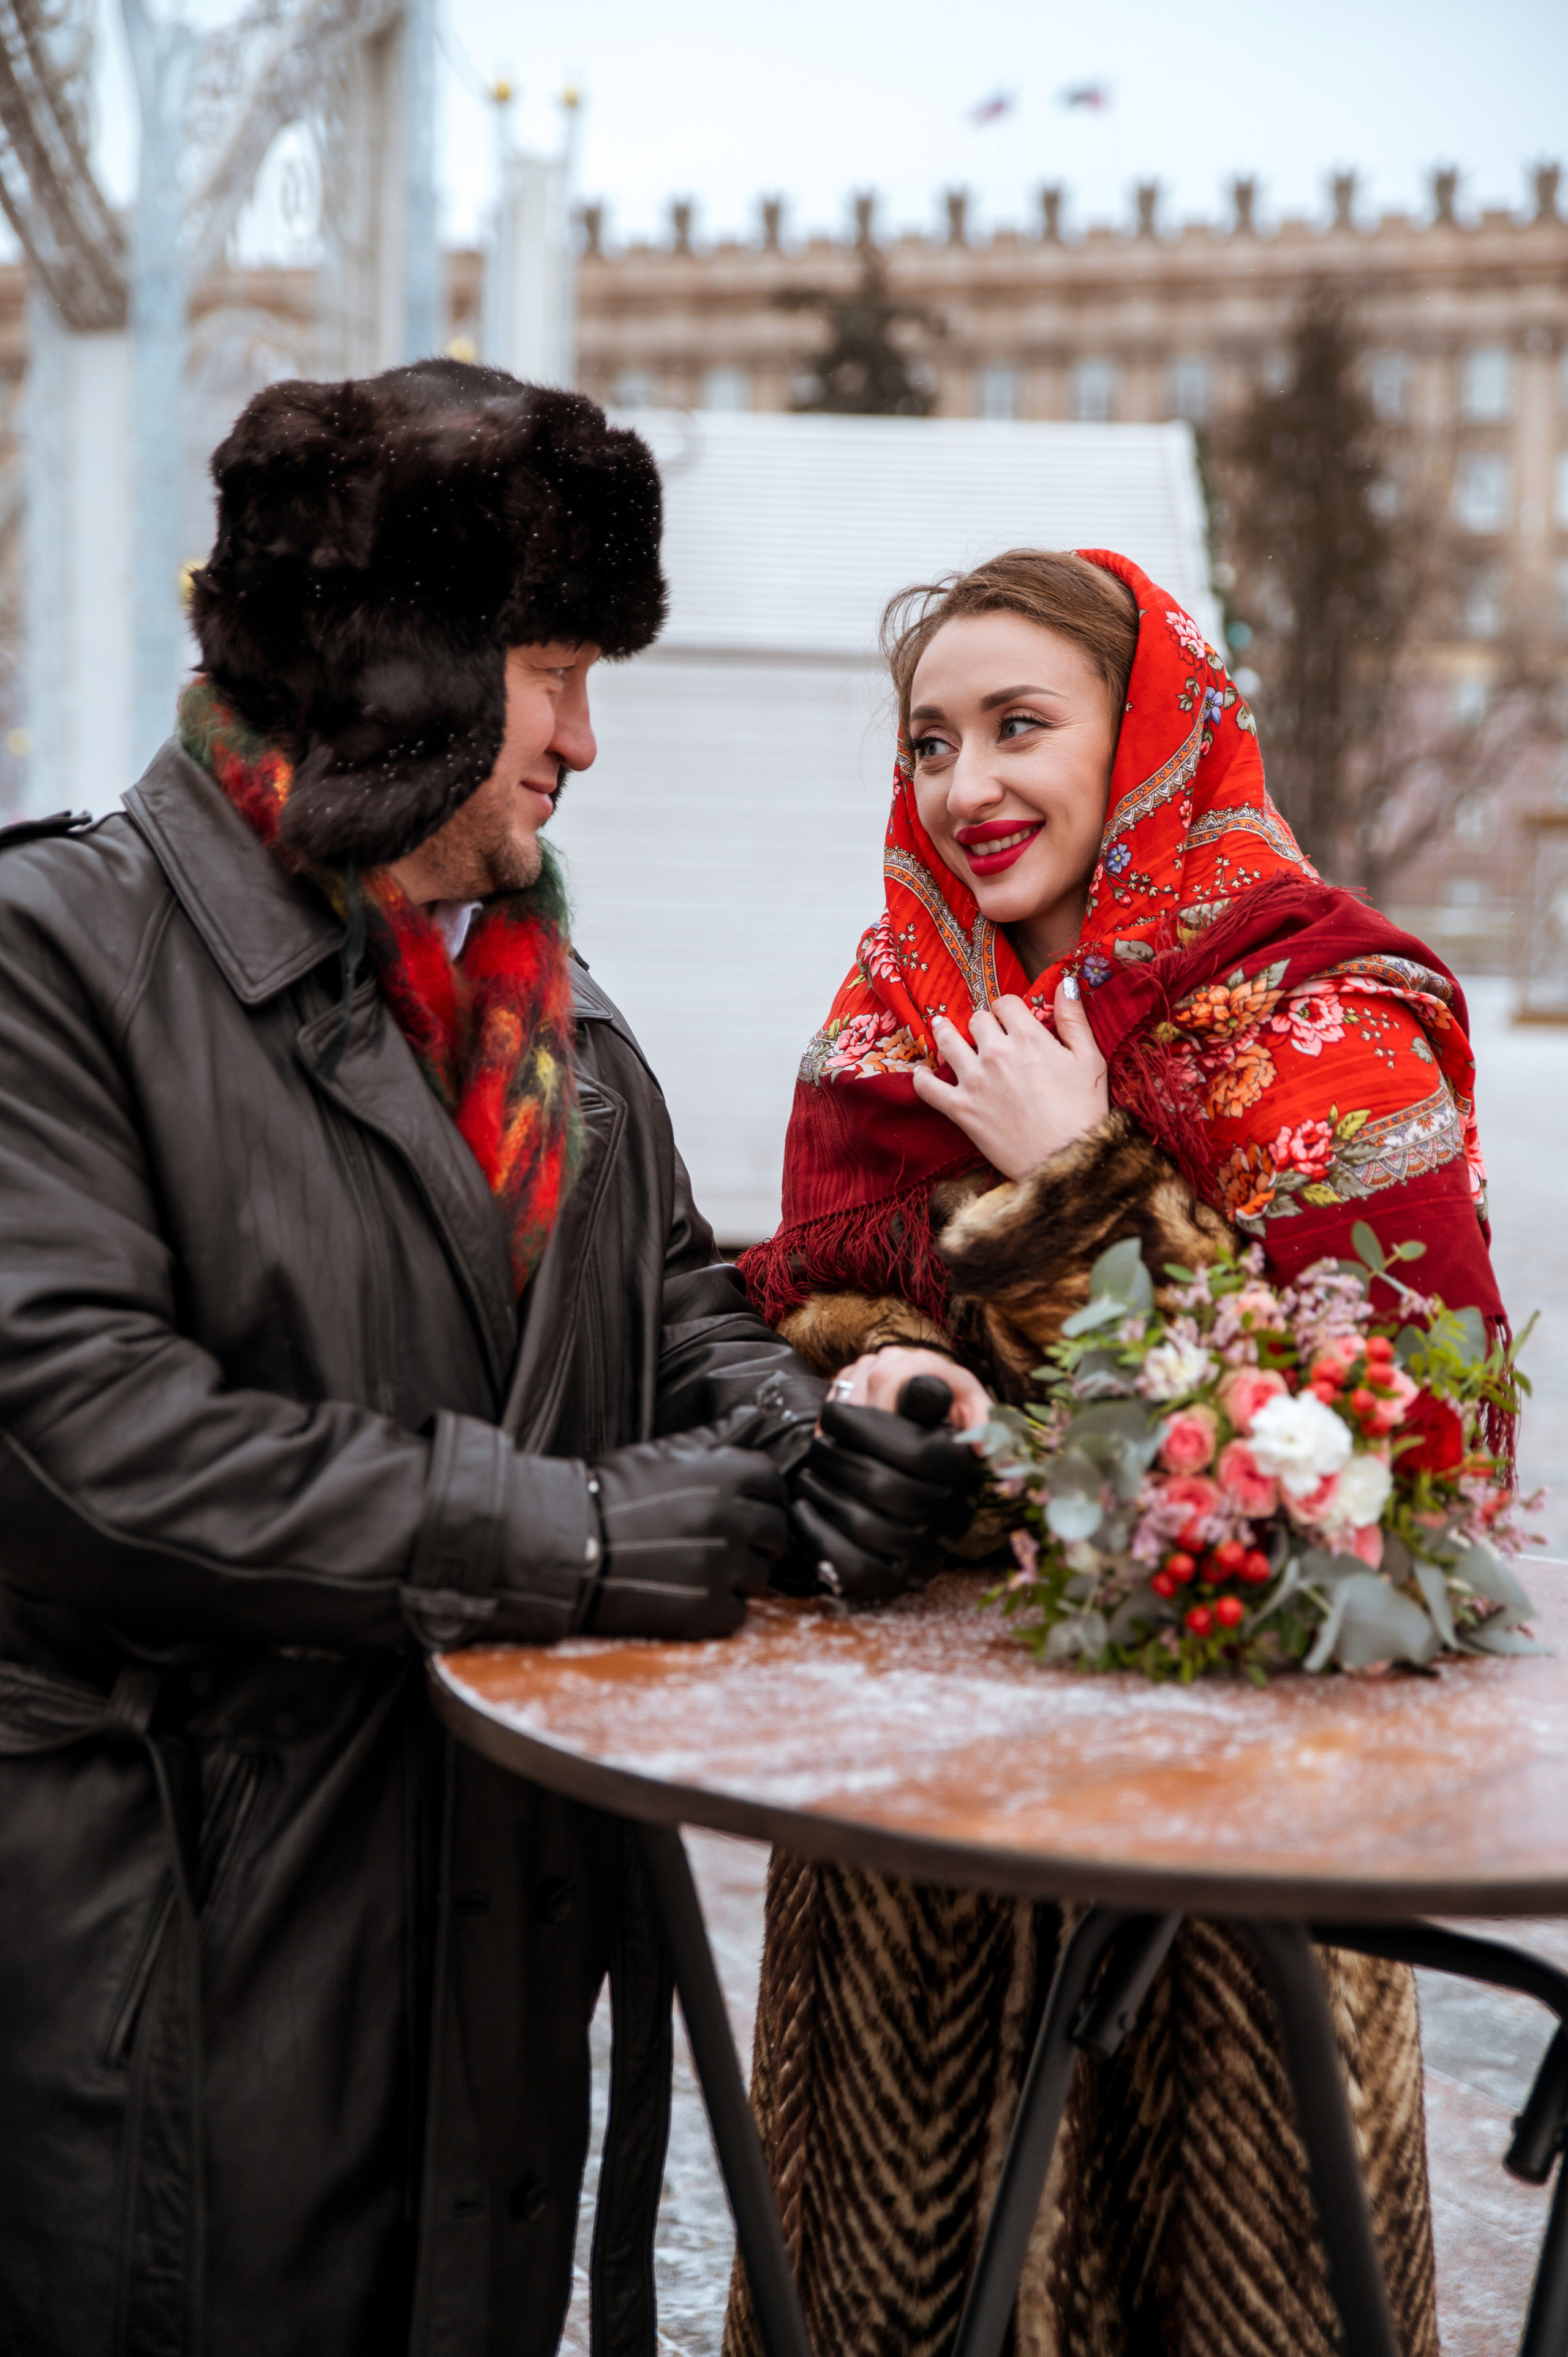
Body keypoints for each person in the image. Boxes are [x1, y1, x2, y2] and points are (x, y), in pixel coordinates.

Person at [0, 359, 979, 2357]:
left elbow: (682, 1315)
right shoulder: (57, 955)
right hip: (188, 1962)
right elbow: (84, 1440)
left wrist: (821, 1439)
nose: (587, 744)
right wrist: (588, 1536)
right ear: (396, 653)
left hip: (496, 1954)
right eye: (555, 668)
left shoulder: (551, 1010)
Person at [729, 547, 1504, 2357]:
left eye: (1021, 726)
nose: (967, 788)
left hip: (1232, 1840)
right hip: (914, 1837)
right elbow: (820, 1317)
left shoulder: (1323, 1016)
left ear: (1155, 735)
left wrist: (1075, 1175)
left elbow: (1405, 1457)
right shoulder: (900, 1015)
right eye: (930, 744)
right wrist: (876, 1385)